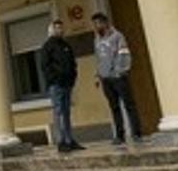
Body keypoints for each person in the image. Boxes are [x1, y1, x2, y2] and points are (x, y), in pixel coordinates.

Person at [92, 12, 142, 145]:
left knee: (129, 105)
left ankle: (136, 133)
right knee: (114, 107)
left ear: (105, 23)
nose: (96, 27)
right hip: (105, 79)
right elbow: (98, 59)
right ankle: (120, 135)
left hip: (118, 77)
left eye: (98, 23)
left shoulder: (117, 36)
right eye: (94, 24)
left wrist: (120, 71)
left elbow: (124, 54)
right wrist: (97, 75)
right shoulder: (97, 40)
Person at [40, 19, 84, 153]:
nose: (60, 30)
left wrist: (73, 77)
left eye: (61, 27)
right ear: (52, 30)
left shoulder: (66, 45)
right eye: (57, 28)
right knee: (58, 112)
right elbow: (45, 66)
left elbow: (72, 62)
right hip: (56, 85)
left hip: (67, 84)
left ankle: (69, 140)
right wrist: (54, 79)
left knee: (66, 112)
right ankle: (61, 141)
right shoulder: (47, 46)